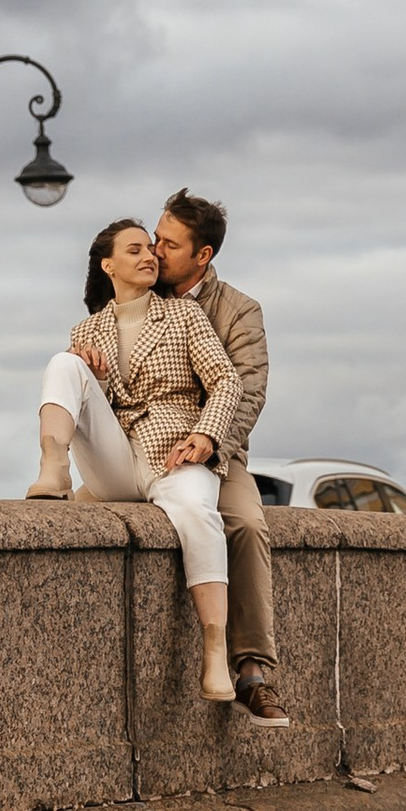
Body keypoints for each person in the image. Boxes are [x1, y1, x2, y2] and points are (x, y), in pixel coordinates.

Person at [27, 214, 252, 706]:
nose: (148, 256)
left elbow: (227, 381)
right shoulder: (87, 330)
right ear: (108, 265)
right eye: (134, 250)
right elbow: (97, 403)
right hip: (115, 461)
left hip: (173, 452)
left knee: (199, 515)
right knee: (64, 364)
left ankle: (214, 651)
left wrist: (206, 434)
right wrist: (97, 379)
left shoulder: (184, 316)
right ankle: (52, 466)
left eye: (150, 249)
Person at [148, 195, 285, 724]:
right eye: (157, 237)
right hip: (143, 448)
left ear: (202, 254)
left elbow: (248, 392)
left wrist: (210, 445)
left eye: (169, 243)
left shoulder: (239, 310)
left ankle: (252, 672)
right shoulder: (139, 288)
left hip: (213, 455)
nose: (156, 251)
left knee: (248, 523)